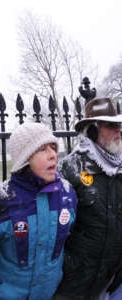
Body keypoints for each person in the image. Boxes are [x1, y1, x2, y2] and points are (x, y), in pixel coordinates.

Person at [0, 122, 77, 300]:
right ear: (24, 159)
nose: (53, 155)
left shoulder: (67, 194)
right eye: (42, 149)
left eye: (53, 148)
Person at [54, 97, 122, 299]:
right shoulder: (71, 168)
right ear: (92, 130)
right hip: (79, 284)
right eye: (111, 126)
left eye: (119, 125)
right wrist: (71, 264)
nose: (118, 130)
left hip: (115, 280)